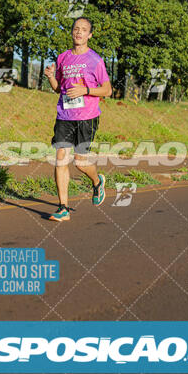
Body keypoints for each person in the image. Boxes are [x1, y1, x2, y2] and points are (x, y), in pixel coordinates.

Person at [45, 17, 112, 221]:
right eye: (76, 29)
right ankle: (63, 207)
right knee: (61, 158)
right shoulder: (62, 58)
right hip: (65, 115)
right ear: (72, 32)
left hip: (87, 117)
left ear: (90, 35)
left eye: (84, 30)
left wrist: (86, 89)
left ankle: (97, 181)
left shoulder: (95, 60)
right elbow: (60, 88)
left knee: (80, 163)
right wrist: (50, 77)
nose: (79, 32)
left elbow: (108, 90)